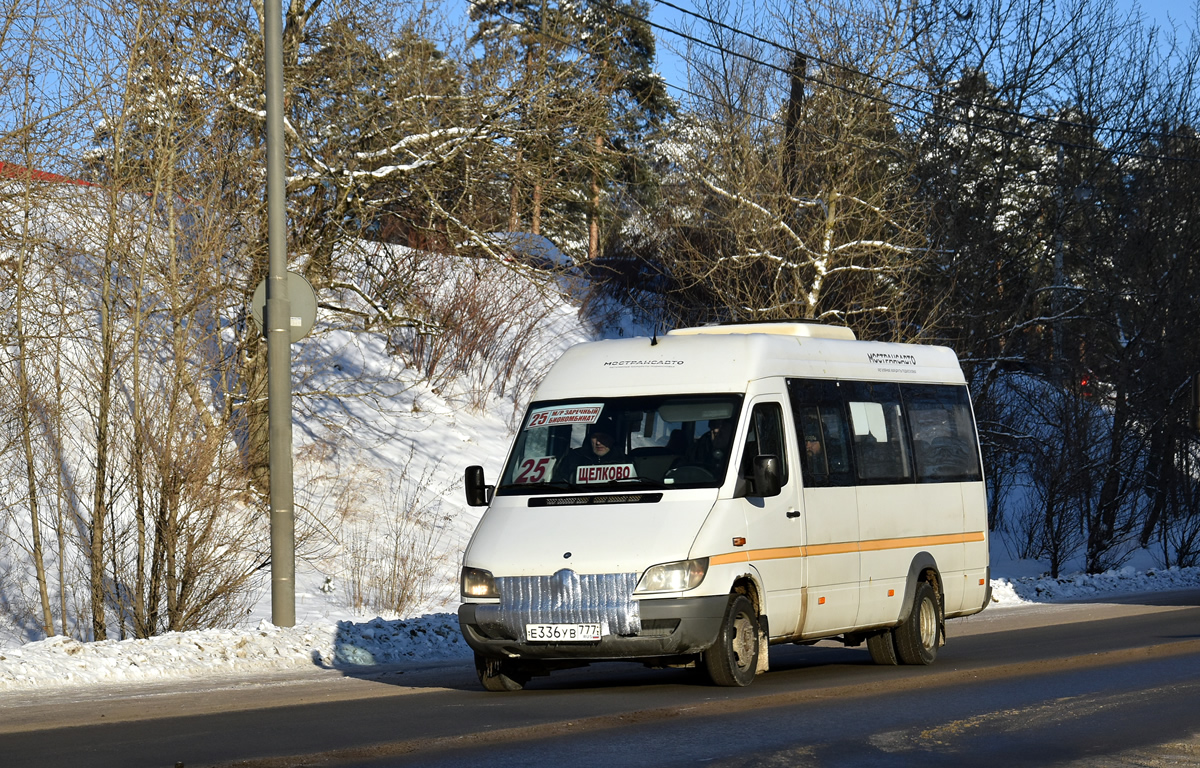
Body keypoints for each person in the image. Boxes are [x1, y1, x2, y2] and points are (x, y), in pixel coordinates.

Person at [553, 418, 627, 483]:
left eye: (603, 437)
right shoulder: (573, 460)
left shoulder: (624, 462)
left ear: (612, 439)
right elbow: (559, 485)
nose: (598, 442)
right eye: (595, 437)